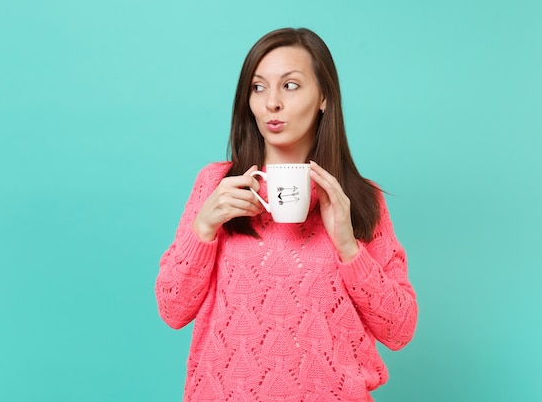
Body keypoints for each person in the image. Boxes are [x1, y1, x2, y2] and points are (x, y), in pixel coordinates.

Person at [155, 27, 417, 402]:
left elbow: (400, 329)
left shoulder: (360, 199)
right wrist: (204, 227)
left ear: (323, 96)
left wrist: (349, 248)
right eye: (259, 87)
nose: (271, 103)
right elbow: (172, 310)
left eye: (290, 86)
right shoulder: (216, 184)